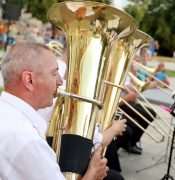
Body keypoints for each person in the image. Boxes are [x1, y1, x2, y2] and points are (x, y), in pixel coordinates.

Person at [0, 42, 108, 180]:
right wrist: (93, 174)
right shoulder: (27, 140)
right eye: (54, 74)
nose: (60, 82)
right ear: (29, 79)